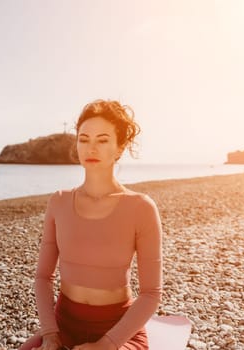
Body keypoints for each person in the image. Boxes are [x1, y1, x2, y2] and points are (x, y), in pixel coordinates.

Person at [19, 99, 163, 350]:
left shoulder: (141, 207)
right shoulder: (59, 202)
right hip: (64, 324)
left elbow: (151, 293)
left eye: (103, 140)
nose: (91, 148)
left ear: (120, 147)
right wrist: (50, 334)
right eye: (84, 139)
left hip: (119, 330)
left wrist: (106, 344)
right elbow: (43, 277)